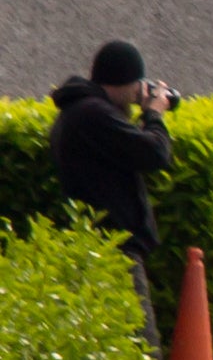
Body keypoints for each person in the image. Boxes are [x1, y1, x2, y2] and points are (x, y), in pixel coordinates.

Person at [48, 40, 175, 264]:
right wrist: (154, 114)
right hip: (114, 248)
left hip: (99, 242)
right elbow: (156, 153)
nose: (139, 91)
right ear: (125, 80)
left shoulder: (79, 110)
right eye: (137, 83)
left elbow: (126, 149)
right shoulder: (94, 113)